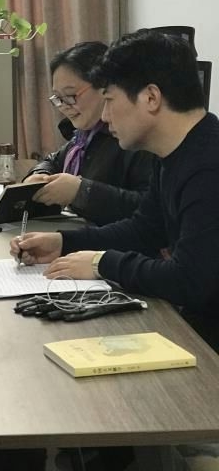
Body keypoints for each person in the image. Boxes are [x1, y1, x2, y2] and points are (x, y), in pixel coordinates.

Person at [12, 29, 219, 352]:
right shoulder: (174, 154)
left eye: (109, 100)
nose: (106, 117)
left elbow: (190, 281)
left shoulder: (208, 165)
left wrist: (102, 263)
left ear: (151, 98)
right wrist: (64, 243)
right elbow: (144, 230)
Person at [24, 41, 155, 225]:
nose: (64, 107)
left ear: (104, 88)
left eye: (71, 96)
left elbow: (152, 210)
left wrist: (82, 192)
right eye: (58, 98)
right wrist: (40, 174)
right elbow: (54, 160)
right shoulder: (84, 136)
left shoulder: (134, 137)